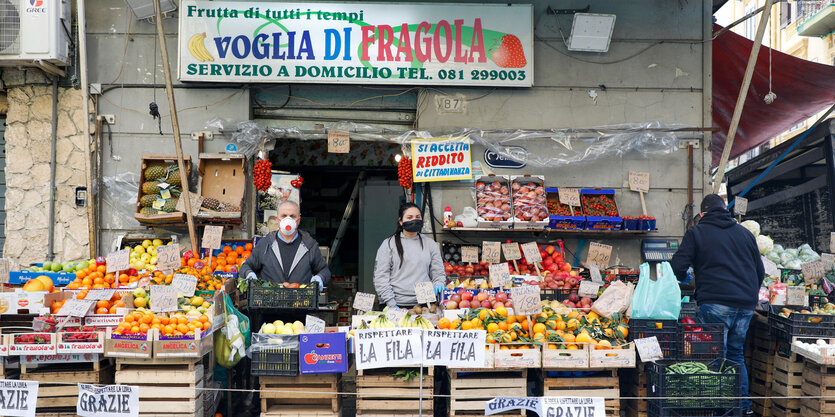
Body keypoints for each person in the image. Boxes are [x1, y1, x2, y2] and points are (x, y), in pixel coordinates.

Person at [671, 194, 764, 415]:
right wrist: (747, 295)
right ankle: (742, 408)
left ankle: (715, 409)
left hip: (715, 303)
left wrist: (686, 276)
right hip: (746, 304)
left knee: (713, 356)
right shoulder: (746, 234)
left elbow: (677, 266)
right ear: (725, 210)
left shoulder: (697, 232)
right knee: (736, 354)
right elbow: (760, 272)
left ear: (702, 214)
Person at [239, 201, 331, 291]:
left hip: (301, 302)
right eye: (284, 216)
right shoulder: (265, 244)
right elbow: (246, 266)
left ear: (298, 220)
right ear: (277, 219)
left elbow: (324, 270)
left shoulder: (310, 245)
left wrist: (320, 278)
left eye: (292, 216)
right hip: (269, 302)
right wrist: (249, 274)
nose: (288, 220)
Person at [373, 203, 446, 308]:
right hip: (395, 304)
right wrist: (391, 303)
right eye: (409, 217)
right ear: (401, 221)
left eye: (418, 217)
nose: (414, 220)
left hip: (425, 305)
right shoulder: (388, 244)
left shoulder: (430, 244)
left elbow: (438, 273)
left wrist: (439, 283)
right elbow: (380, 277)